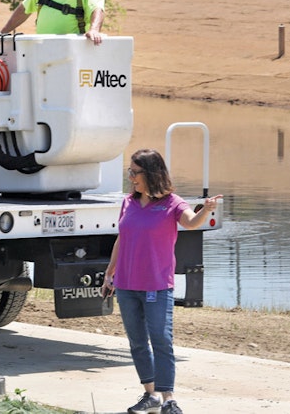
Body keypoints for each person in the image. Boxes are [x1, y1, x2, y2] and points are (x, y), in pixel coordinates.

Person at [101, 149, 223, 414]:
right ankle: (150, 394)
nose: (131, 177)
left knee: (161, 339)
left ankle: (168, 398)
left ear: (151, 173)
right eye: (130, 172)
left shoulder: (172, 203)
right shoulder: (128, 202)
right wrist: (110, 272)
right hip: (126, 285)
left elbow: (191, 223)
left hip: (157, 284)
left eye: (135, 172)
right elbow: (122, 239)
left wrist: (206, 209)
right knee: (136, 342)